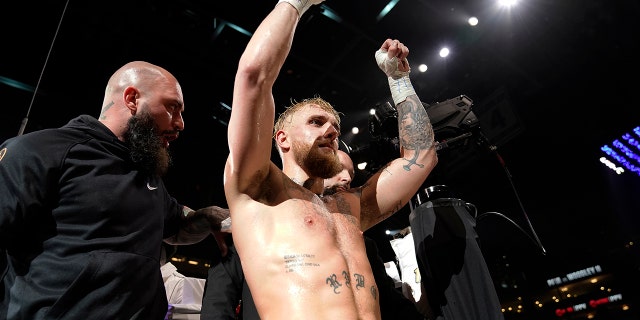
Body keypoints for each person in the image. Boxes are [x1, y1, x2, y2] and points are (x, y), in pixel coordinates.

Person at [223, 0, 438, 318]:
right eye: (316, 122)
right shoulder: (258, 190)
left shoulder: (351, 208)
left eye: (335, 127)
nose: (331, 131)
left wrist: (398, 79)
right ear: (281, 138)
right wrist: (297, 2)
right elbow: (254, 76)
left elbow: (422, 156)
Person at [0, 61, 229, 319]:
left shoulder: (146, 175)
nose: (180, 124)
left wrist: (212, 217)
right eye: (172, 108)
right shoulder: (40, 151)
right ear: (132, 99)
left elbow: (177, 226)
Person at [203, 150, 425, 319]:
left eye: (351, 173)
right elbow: (217, 305)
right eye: (336, 168)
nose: (346, 178)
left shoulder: (363, 244)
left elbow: (390, 303)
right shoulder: (255, 229)